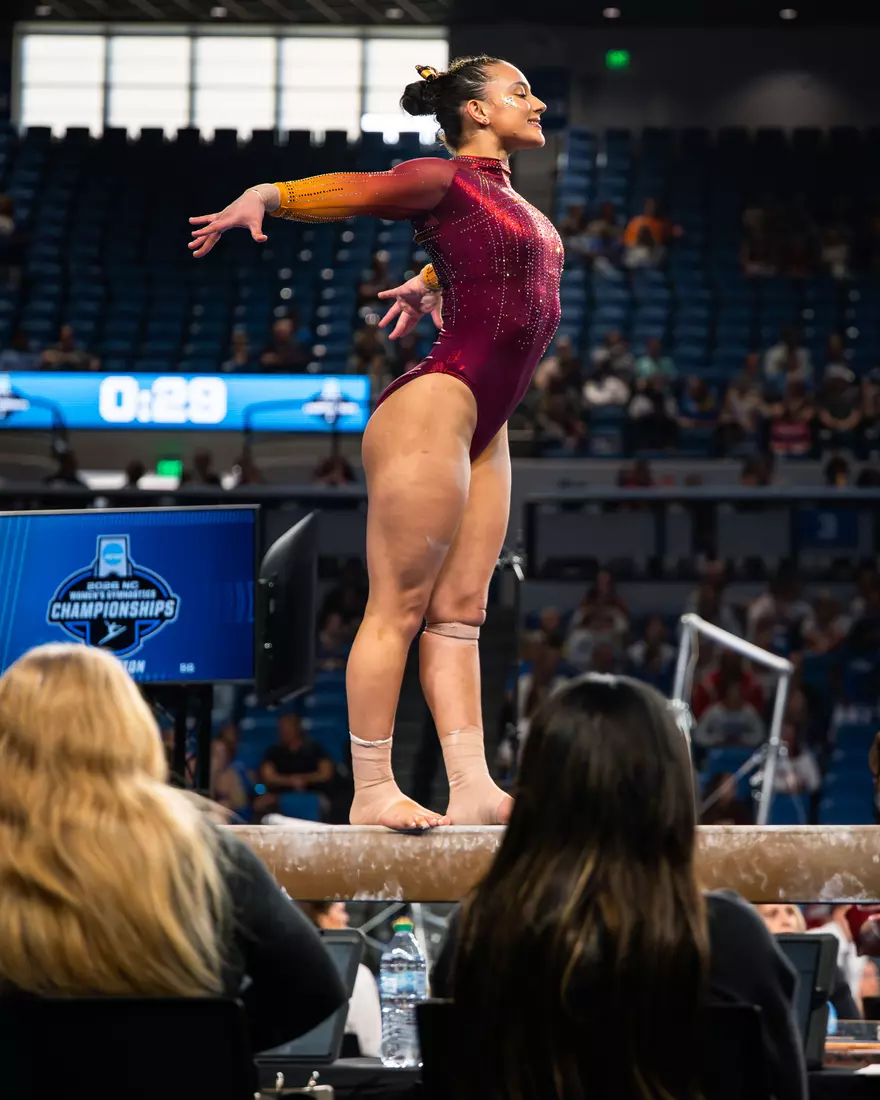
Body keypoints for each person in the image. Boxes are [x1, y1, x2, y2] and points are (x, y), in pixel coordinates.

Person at [189, 55, 558, 829]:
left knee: (461, 616)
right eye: (519, 91)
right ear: (477, 113)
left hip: (487, 422)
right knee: (399, 607)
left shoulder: (502, 199)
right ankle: (372, 788)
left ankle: (472, 786)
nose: (539, 101)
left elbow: (493, 260)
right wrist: (270, 194)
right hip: (438, 402)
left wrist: (430, 281)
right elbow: (360, 191)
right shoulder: (444, 177)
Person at [432, 675, 806, 1100]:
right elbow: (788, 1088)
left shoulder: (478, 930)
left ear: (535, 795)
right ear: (671, 798)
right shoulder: (727, 935)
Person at [0, 643, 346, 1052]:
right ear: (130, 730)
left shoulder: (208, 851)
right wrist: (211, 1044)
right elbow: (316, 988)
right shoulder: (206, 852)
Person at [299, 901, 382, 1058]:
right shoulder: (357, 975)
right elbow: (371, 1045)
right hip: (343, 1073)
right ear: (320, 916)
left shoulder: (271, 968)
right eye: (341, 911)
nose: (346, 918)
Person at [258, 712, 336, 810]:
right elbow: (269, 776)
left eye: (288, 728)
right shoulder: (273, 752)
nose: (285, 731)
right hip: (280, 796)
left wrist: (302, 780)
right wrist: (292, 781)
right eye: (282, 728)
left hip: (314, 793)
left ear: (297, 728)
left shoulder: (315, 749)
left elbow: (325, 774)